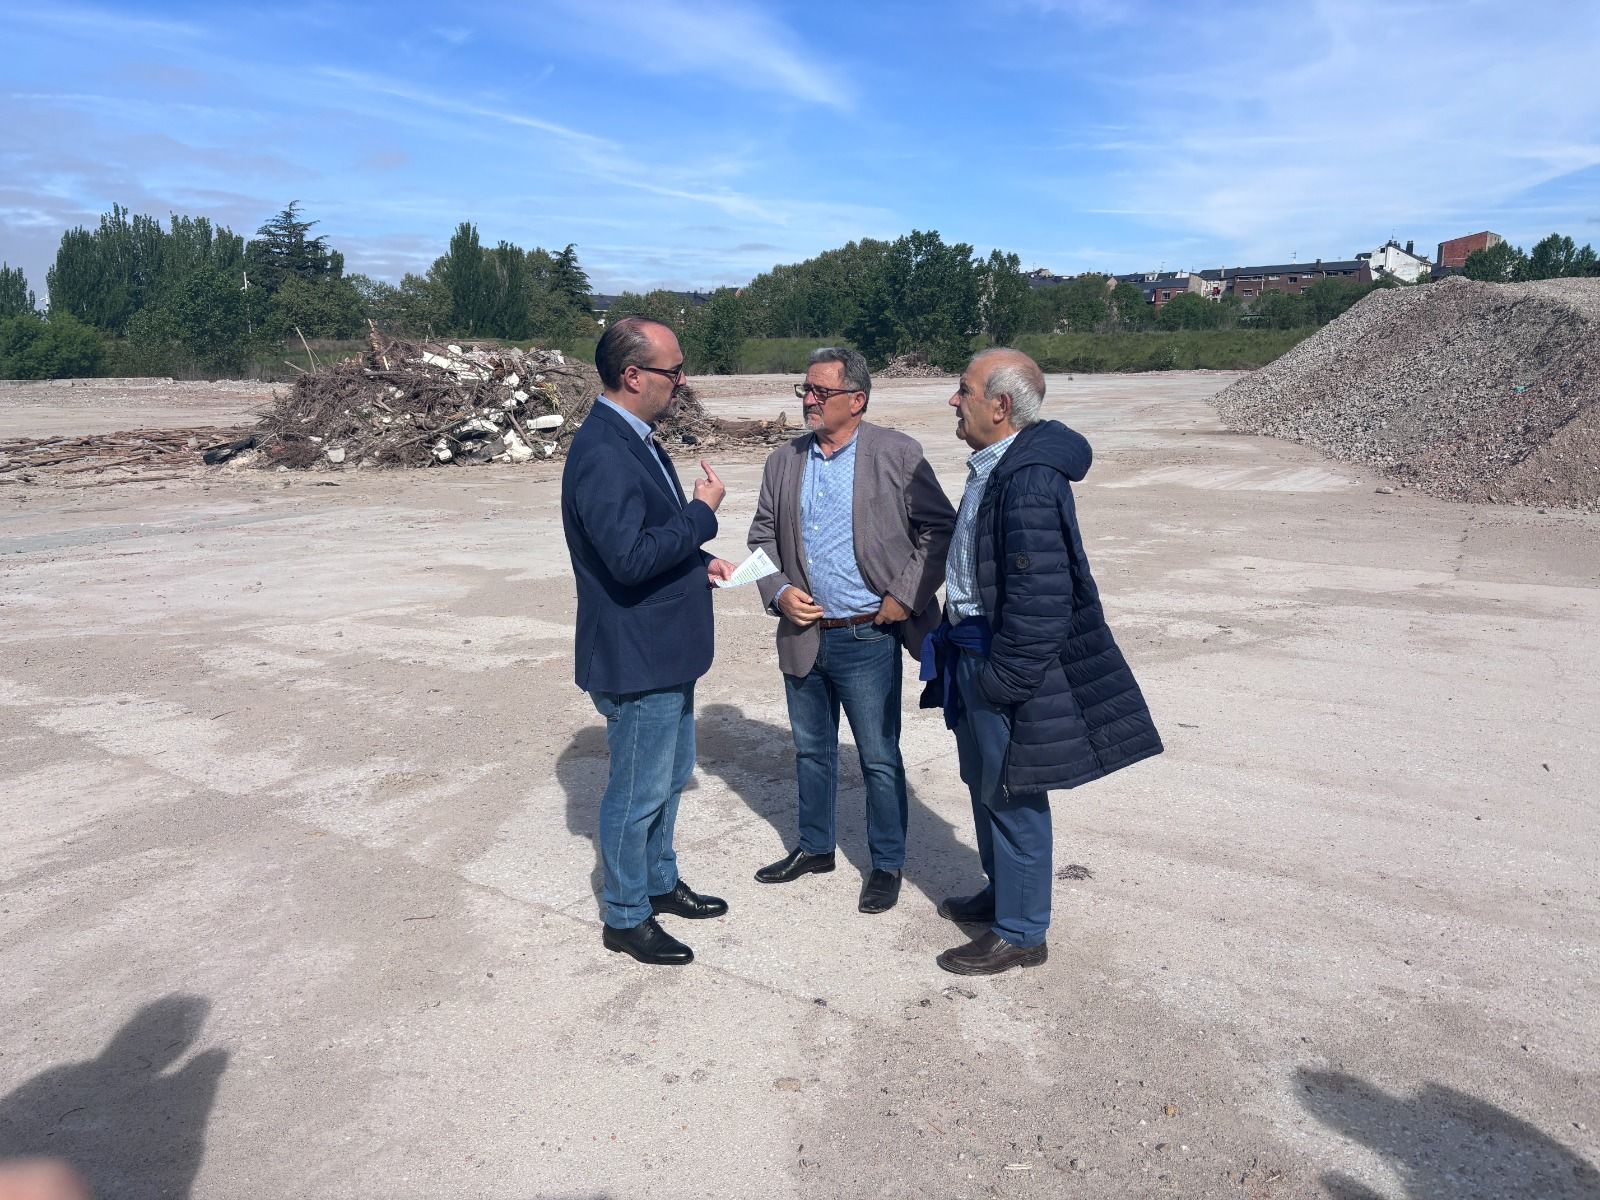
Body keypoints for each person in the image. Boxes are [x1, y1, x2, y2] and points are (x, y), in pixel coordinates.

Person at [922, 349, 1162, 974]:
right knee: (985, 786)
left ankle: (1023, 932)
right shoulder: (997, 465)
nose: (955, 399)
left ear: (1000, 407)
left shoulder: (1027, 479)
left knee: (1013, 795)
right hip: (971, 653)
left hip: (997, 665)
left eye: (964, 389)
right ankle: (1006, 895)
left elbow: (1041, 596)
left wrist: (1005, 680)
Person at [747, 347, 956, 913]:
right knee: (811, 752)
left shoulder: (897, 452)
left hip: (868, 636)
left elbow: (939, 529)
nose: (809, 400)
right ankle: (816, 847)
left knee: (878, 758)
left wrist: (903, 595)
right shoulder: (784, 460)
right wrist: (779, 592)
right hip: (804, 635)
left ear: (856, 400)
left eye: (820, 391)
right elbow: (761, 537)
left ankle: (886, 862)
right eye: (805, 390)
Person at [561, 316, 736, 965]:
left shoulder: (637, 437)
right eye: (673, 370)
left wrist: (699, 558)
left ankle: (658, 882)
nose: (682, 380)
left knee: (666, 779)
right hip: (637, 657)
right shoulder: (605, 452)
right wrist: (702, 513)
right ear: (633, 376)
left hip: (666, 647)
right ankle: (626, 913)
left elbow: (647, 541)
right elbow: (629, 559)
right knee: (636, 793)